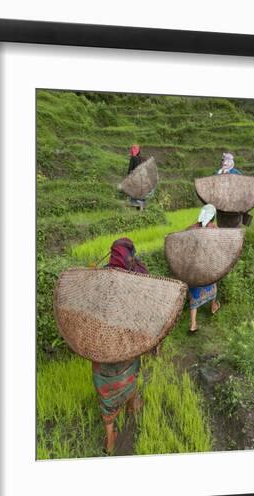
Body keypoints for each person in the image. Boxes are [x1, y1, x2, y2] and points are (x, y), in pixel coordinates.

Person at [92, 238, 147, 454]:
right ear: (130, 254)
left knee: (105, 385)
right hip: (127, 341)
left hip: (100, 344)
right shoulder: (136, 275)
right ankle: (133, 405)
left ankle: (110, 437)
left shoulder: (99, 278)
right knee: (130, 373)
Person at [187, 204, 221, 333]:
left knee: (194, 291)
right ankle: (213, 306)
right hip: (208, 265)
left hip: (193, 266)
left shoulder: (192, 228)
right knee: (213, 283)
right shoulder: (215, 229)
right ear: (213, 217)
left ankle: (193, 324)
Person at [127, 144, 149, 210]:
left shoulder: (133, 158)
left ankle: (136, 205)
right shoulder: (140, 158)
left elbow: (130, 169)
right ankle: (142, 206)